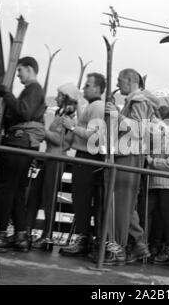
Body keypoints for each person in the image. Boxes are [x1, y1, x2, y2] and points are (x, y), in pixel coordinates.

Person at [0, 56, 46, 253]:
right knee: (16, 191)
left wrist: (7, 95)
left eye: (20, 70)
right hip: (24, 145)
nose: (18, 75)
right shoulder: (33, 90)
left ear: (29, 69)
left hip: (19, 144)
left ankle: (0, 234)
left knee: (6, 189)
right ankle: (21, 235)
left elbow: (23, 112)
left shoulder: (33, 88)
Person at [104, 68, 159, 265]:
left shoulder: (138, 101)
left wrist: (116, 115)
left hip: (129, 155)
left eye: (120, 80)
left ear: (129, 80)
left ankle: (117, 248)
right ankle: (138, 244)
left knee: (119, 204)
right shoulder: (136, 101)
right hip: (129, 154)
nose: (118, 85)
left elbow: (139, 130)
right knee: (126, 204)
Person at [26, 83, 80, 249]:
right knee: (35, 193)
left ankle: (47, 235)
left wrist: (42, 131)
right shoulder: (60, 114)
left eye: (59, 94)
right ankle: (27, 230)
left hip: (57, 160)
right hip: (50, 158)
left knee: (48, 198)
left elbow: (60, 140)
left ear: (65, 97)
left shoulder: (69, 117)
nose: (56, 97)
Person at [58, 73, 106, 256]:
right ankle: (86, 237)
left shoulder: (96, 106)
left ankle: (83, 238)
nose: (84, 88)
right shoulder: (93, 106)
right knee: (82, 200)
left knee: (82, 199)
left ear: (96, 88)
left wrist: (72, 127)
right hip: (87, 157)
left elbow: (95, 136)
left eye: (87, 85)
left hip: (87, 158)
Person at [142, 105, 169, 265]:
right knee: (159, 216)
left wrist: (153, 161)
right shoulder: (163, 136)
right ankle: (157, 244)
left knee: (167, 216)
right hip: (160, 181)